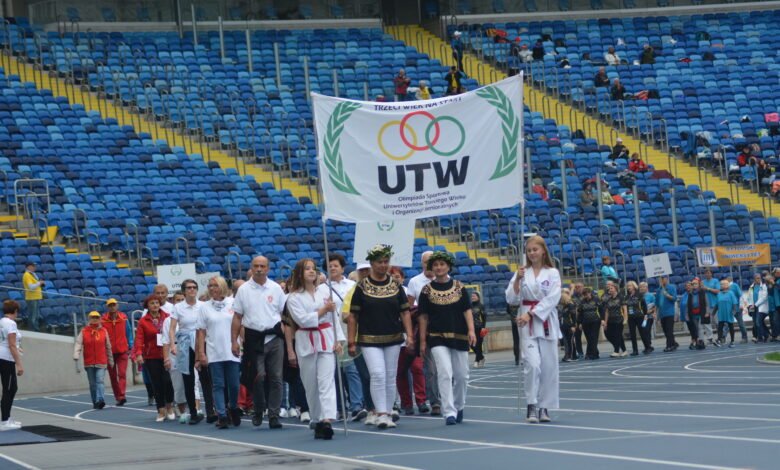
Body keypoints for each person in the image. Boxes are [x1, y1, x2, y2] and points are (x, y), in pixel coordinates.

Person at [348, 244, 414, 430]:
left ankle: (388, 410)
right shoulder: (361, 287)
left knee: (390, 376)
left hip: (393, 336)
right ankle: (381, 413)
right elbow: (353, 316)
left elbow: (405, 313)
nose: (383, 265)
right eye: (379, 262)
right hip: (369, 338)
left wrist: (409, 335)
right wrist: (352, 341)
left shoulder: (395, 286)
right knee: (377, 374)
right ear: (371, 263)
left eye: (386, 262)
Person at [505, 236, 562, 423]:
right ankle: (531, 404)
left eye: (535, 249)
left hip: (545, 321)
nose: (531, 253)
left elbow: (553, 298)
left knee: (548, 366)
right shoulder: (522, 273)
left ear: (543, 251)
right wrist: (517, 281)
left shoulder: (552, 273)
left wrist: (532, 314)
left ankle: (544, 407)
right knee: (532, 364)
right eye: (529, 250)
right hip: (526, 323)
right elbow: (511, 299)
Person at [287, 259, 345, 439]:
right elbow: (303, 320)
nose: (311, 271)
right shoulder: (293, 297)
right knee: (311, 384)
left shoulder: (324, 292)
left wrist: (338, 340)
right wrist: (322, 310)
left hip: (326, 338)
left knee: (326, 381)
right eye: (307, 269)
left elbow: (334, 317)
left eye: (313, 269)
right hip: (306, 340)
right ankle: (317, 418)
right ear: (299, 273)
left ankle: (328, 418)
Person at [418, 251, 475, 426]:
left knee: (462, 375)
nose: (439, 267)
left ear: (448, 266)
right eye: (435, 265)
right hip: (437, 337)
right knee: (444, 373)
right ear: (431, 268)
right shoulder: (426, 290)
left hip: (459, 335)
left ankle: (459, 405)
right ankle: (448, 411)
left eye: (442, 264)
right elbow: (423, 317)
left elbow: (467, 310)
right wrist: (422, 340)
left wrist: (471, 331)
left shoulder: (459, 286)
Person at [232, 255, 287, 429]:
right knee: (258, 377)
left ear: (268, 269)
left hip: (274, 337)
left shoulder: (276, 288)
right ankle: (258, 407)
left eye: (262, 266)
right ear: (251, 267)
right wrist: (234, 341)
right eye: (256, 266)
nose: (259, 269)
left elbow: (284, 315)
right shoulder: (244, 290)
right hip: (254, 338)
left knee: (277, 378)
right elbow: (237, 317)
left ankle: (273, 414)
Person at [196, 276, 241, 429]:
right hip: (214, 351)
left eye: (215, 285)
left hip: (232, 350)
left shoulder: (233, 303)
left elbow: (241, 324)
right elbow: (201, 331)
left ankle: (233, 407)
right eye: (209, 286)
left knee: (234, 384)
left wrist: (243, 344)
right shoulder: (204, 307)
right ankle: (221, 414)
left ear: (221, 286)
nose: (212, 288)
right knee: (218, 385)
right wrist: (201, 353)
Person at [170, 279, 214, 425]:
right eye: (189, 288)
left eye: (194, 287)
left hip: (201, 342)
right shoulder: (178, 307)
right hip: (185, 344)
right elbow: (172, 328)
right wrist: (172, 344)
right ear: (184, 290)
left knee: (206, 378)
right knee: (188, 380)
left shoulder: (203, 305)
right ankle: (193, 413)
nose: (192, 290)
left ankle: (210, 411)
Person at [407, 251, 441, 416]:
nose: (430, 264)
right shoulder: (415, 282)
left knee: (447, 369)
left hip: (444, 329)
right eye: (427, 261)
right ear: (422, 263)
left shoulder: (444, 280)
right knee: (431, 369)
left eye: (433, 261)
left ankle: (448, 399)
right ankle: (435, 402)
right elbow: (408, 307)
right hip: (425, 330)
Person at [391, 267, 426, 416]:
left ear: (402, 278)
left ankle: (421, 400)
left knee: (417, 368)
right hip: (394, 338)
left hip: (411, 336)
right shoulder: (384, 293)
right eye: (391, 276)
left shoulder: (408, 293)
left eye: (397, 276)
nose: (395, 279)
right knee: (400, 372)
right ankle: (406, 403)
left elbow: (416, 314)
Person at [134, 295, 174, 422]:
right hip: (152, 356)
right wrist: (139, 353)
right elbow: (139, 339)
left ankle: (169, 406)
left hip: (167, 354)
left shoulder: (167, 316)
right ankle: (161, 410)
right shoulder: (143, 321)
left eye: (157, 303)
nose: (155, 305)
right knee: (156, 384)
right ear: (148, 306)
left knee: (168, 381)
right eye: (152, 303)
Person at [74, 311, 113, 409]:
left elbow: (108, 346)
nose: (95, 319)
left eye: (97, 317)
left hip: (101, 361)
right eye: (92, 317)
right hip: (89, 362)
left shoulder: (104, 331)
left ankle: (100, 399)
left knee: (100, 381)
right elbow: (78, 343)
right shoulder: (84, 331)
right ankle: (95, 401)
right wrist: (76, 354)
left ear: (100, 319)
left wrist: (110, 360)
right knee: (92, 384)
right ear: (89, 319)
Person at [100, 298, 132, 406]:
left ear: (117, 306)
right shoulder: (103, 320)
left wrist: (130, 345)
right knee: (113, 376)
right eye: (110, 305)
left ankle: (122, 396)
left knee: (122, 374)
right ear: (107, 307)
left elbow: (129, 332)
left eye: (114, 305)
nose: (112, 307)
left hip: (122, 350)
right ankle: (118, 397)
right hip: (109, 353)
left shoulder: (123, 318)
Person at [1, 300, 23, 430]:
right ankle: (4, 421)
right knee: (9, 389)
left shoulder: (2, 322)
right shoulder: (11, 323)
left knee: (12, 388)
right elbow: (11, 344)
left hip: (3, 357)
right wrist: (19, 364)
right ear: (15, 311)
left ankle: (7, 417)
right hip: (7, 359)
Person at [624, 281, 650, 355]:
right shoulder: (626, 297)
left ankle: (647, 347)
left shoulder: (639, 295)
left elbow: (644, 306)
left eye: (630, 286)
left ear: (634, 286)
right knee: (632, 334)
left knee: (642, 333)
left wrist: (645, 315)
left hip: (639, 316)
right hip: (631, 317)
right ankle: (635, 350)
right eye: (628, 286)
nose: (628, 287)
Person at [601, 282, 627, 357]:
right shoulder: (608, 299)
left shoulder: (621, 297)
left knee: (617, 335)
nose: (610, 290)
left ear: (616, 289)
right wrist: (605, 322)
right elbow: (606, 311)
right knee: (608, 334)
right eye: (609, 289)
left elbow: (624, 309)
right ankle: (624, 350)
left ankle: (616, 351)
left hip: (619, 319)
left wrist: (625, 319)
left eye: (612, 288)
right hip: (610, 320)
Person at [576, 287, 601, 360]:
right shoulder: (582, 302)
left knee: (594, 337)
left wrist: (602, 319)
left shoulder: (596, 299)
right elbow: (580, 313)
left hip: (595, 321)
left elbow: (601, 309)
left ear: (590, 293)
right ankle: (595, 352)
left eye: (587, 294)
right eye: (584, 295)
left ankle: (591, 354)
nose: (586, 296)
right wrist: (579, 323)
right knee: (589, 338)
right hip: (585, 322)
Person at [656, 276, 678, 352]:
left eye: (663, 279)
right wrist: (657, 317)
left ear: (667, 279)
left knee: (669, 330)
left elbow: (675, 298)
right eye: (660, 279)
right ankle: (674, 343)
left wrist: (667, 295)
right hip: (662, 313)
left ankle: (669, 345)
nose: (662, 280)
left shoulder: (671, 287)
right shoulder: (659, 290)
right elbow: (657, 304)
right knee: (666, 331)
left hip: (669, 312)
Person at [713, 280, 738, 347]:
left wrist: (734, 311)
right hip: (721, 313)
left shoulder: (731, 293)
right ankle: (718, 340)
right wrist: (713, 313)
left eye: (723, 284)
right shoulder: (719, 294)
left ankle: (732, 341)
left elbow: (735, 303)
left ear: (727, 285)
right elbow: (716, 304)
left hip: (729, 312)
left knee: (731, 326)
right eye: (721, 284)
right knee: (720, 327)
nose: (721, 285)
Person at [746, 273, 769, 342]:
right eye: (757, 278)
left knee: (758, 322)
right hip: (753, 307)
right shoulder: (751, 287)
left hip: (761, 307)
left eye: (760, 278)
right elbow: (749, 298)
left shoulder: (764, 286)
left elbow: (764, 297)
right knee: (756, 323)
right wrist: (750, 306)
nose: (759, 279)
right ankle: (762, 336)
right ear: (754, 279)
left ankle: (764, 335)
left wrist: (756, 305)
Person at [22, 261, 44, 332]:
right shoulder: (27, 275)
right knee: (33, 315)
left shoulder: (33, 274)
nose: (35, 267)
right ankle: (33, 330)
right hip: (31, 298)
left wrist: (39, 283)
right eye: (33, 266)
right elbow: (31, 287)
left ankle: (35, 329)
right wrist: (39, 283)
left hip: (36, 297)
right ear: (28, 267)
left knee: (35, 315)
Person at [690, 278, 712, 347]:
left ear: (699, 284)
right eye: (693, 284)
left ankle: (703, 340)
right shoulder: (691, 293)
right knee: (697, 327)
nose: (694, 285)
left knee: (701, 327)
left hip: (701, 312)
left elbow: (707, 303)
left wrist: (707, 312)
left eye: (695, 283)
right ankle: (700, 340)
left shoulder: (702, 292)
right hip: (694, 313)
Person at [558, 289, 577, 362]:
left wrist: (573, 326)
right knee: (565, 342)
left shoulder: (570, 305)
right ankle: (567, 355)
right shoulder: (561, 306)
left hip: (569, 325)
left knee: (570, 341)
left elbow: (574, 316)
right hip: (562, 325)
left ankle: (570, 355)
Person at [727, 277, 748, 342]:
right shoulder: (725, 288)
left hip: (736, 306)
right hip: (729, 306)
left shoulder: (734, 285)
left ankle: (744, 337)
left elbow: (740, 295)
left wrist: (741, 305)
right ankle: (722, 338)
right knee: (726, 322)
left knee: (740, 322)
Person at [471, 292, 486, 368]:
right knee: (472, 345)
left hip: (480, 328)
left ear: (478, 297)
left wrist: (483, 327)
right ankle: (482, 357)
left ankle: (476, 361)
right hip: (471, 328)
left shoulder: (481, 306)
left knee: (478, 345)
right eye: (472, 296)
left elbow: (484, 318)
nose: (472, 297)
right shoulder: (469, 306)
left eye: (474, 296)